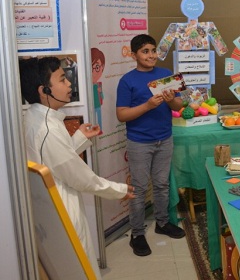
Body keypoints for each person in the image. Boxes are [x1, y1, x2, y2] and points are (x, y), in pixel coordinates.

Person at [19, 56, 134, 279]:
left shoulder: (34, 118)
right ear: (44, 90)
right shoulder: (48, 129)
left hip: (49, 204)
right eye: (62, 79)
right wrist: (118, 190)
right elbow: (79, 177)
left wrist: (80, 137)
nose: (69, 83)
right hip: (61, 207)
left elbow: (56, 160)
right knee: (78, 267)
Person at [116, 34, 185, 257]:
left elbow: (178, 105)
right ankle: (137, 233)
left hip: (165, 138)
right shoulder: (127, 81)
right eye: (145, 51)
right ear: (134, 55)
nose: (151, 55)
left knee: (162, 184)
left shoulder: (165, 75)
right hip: (139, 142)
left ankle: (162, 223)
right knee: (138, 189)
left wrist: (170, 100)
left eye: (153, 50)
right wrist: (147, 106)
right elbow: (121, 115)